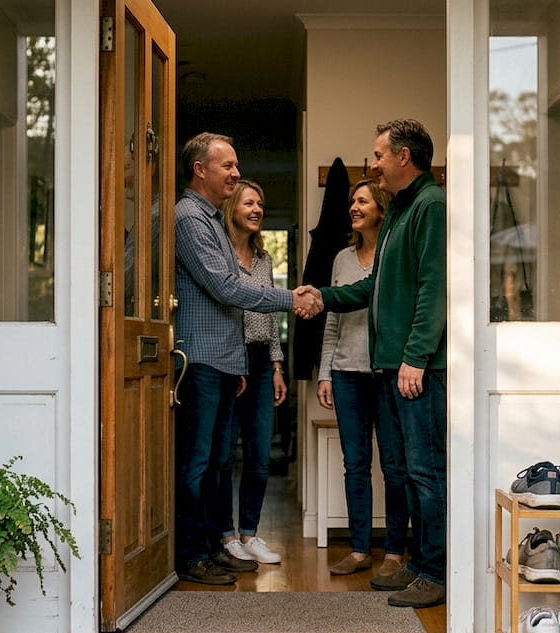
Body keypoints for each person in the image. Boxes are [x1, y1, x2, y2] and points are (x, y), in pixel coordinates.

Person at [300, 119, 448, 608]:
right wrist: (322, 296)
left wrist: (415, 358)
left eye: (380, 154)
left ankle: (435, 570)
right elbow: (372, 288)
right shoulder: (400, 212)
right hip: (390, 368)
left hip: (414, 369)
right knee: (406, 467)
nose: (374, 163)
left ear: (404, 157)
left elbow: (434, 288)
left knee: (424, 472)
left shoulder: (430, 206)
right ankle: (420, 563)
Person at [174, 132, 321, 586]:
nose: (236, 174)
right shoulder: (188, 218)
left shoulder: (211, 221)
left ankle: (211, 547)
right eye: (228, 166)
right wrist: (290, 299)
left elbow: (232, 305)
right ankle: (190, 554)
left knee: (219, 460)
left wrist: (241, 363)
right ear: (201, 169)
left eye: (236, 166)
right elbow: (225, 287)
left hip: (223, 361)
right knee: (197, 463)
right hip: (198, 361)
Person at [317, 179, 411, 578]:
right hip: (345, 373)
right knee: (354, 464)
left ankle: (393, 551)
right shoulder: (341, 259)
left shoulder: (395, 255)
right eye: (352, 201)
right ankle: (358, 550)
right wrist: (325, 372)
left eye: (362, 201)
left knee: (394, 466)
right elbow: (333, 320)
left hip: (386, 373)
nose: (353, 207)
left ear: (381, 207)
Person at [216, 179, 285, 565]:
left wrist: (276, 365)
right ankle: (226, 537)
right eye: (249, 203)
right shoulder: (220, 254)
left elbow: (270, 315)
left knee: (259, 454)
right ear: (232, 209)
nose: (257, 209)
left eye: (260, 203)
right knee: (225, 453)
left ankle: (250, 534)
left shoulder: (264, 259)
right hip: (228, 358)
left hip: (259, 362)